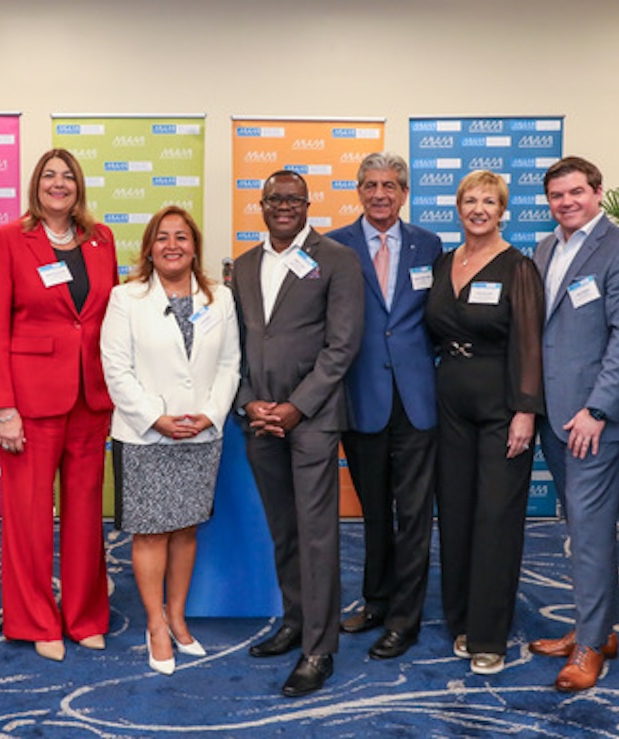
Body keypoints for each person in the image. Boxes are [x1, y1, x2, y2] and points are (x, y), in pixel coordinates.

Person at [0, 148, 117, 662]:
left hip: (91, 398)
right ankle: (36, 619)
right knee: (30, 517)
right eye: (49, 176)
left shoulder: (101, 240)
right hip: (31, 402)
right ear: (36, 186)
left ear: (78, 187)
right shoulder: (9, 240)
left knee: (85, 515)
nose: (58, 184)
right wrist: (3, 408)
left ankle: (84, 616)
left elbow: (109, 318)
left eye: (68, 177)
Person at [230, 170, 364, 697]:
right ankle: (294, 620)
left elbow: (342, 346)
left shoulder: (336, 260)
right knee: (283, 530)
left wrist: (296, 407)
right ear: (260, 205)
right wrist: (249, 404)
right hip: (259, 419)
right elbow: (234, 346)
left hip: (312, 418)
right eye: (274, 199)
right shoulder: (242, 266)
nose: (283, 206)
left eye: (293, 198)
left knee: (316, 533)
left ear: (308, 205)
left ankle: (319, 647)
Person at [527, 157, 619, 692]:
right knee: (584, 530)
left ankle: (589, 647)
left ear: (598, 193)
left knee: (590, 534)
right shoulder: (545, 248)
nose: (566, 203)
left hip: (596, 421)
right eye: (557, 195)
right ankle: (596, 628)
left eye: (576, 193)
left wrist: (598, 409)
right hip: (556, 418)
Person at [100, 206, 240, 676]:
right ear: (149, 247)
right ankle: (156, 624)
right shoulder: (127, 297)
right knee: (151, 531)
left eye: (181, 236)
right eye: (162, 237)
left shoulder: (219, 297)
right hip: (146, 436)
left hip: (202, 432)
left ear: (194, 245)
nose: (172, 245)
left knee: (185, 529)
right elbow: (115, 371)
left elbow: (230, 366)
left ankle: (178, 617)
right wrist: (155, 418)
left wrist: (211, 414)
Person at [424, 169, 544, 676]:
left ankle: (490, 635)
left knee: (495, 518)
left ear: (502, 210)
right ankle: (463, 622)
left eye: (488, 201)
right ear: (457, 208)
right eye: (469, 200)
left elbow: (530, 343)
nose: (478, 209)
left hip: (501, 406)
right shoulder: (443, 262)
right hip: (448, 403)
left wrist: (525, 410)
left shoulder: (517, 266)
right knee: (455, 513)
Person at [327, 152, 441, 660]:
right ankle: (376, 601)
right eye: (371, 184)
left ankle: (404, 619)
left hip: (417, 400)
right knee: (375, 511)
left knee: (414, 515)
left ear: (404, 192)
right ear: (358, 190)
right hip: (362, 398)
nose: (380, 194)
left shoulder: (429, 245)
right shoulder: (335, 245)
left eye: (390, 185)